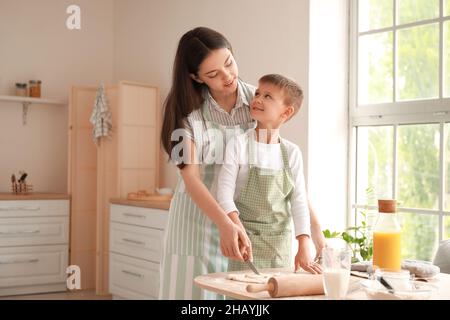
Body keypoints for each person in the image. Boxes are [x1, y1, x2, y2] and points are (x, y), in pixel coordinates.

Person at [159, 27, 325, 300]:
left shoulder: (259, 100)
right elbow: (191, 179)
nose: (228, 77)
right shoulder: (182, 113)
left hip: (247, 229)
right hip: (195, 225)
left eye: (229, 63)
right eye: (213, 74)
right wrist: (225, 224)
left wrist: (313, 232)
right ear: (195, 77)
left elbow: (285, 171)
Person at [217, 74, 321, 274]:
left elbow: (298, 201)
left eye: (267, 96)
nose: (257, 99)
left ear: (286, 112)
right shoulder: (238, 145)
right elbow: (223, 195)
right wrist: (237, 230)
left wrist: (304, 244)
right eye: (257, 93)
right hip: (245, 244)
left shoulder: (291, 152)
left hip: (279, 248)